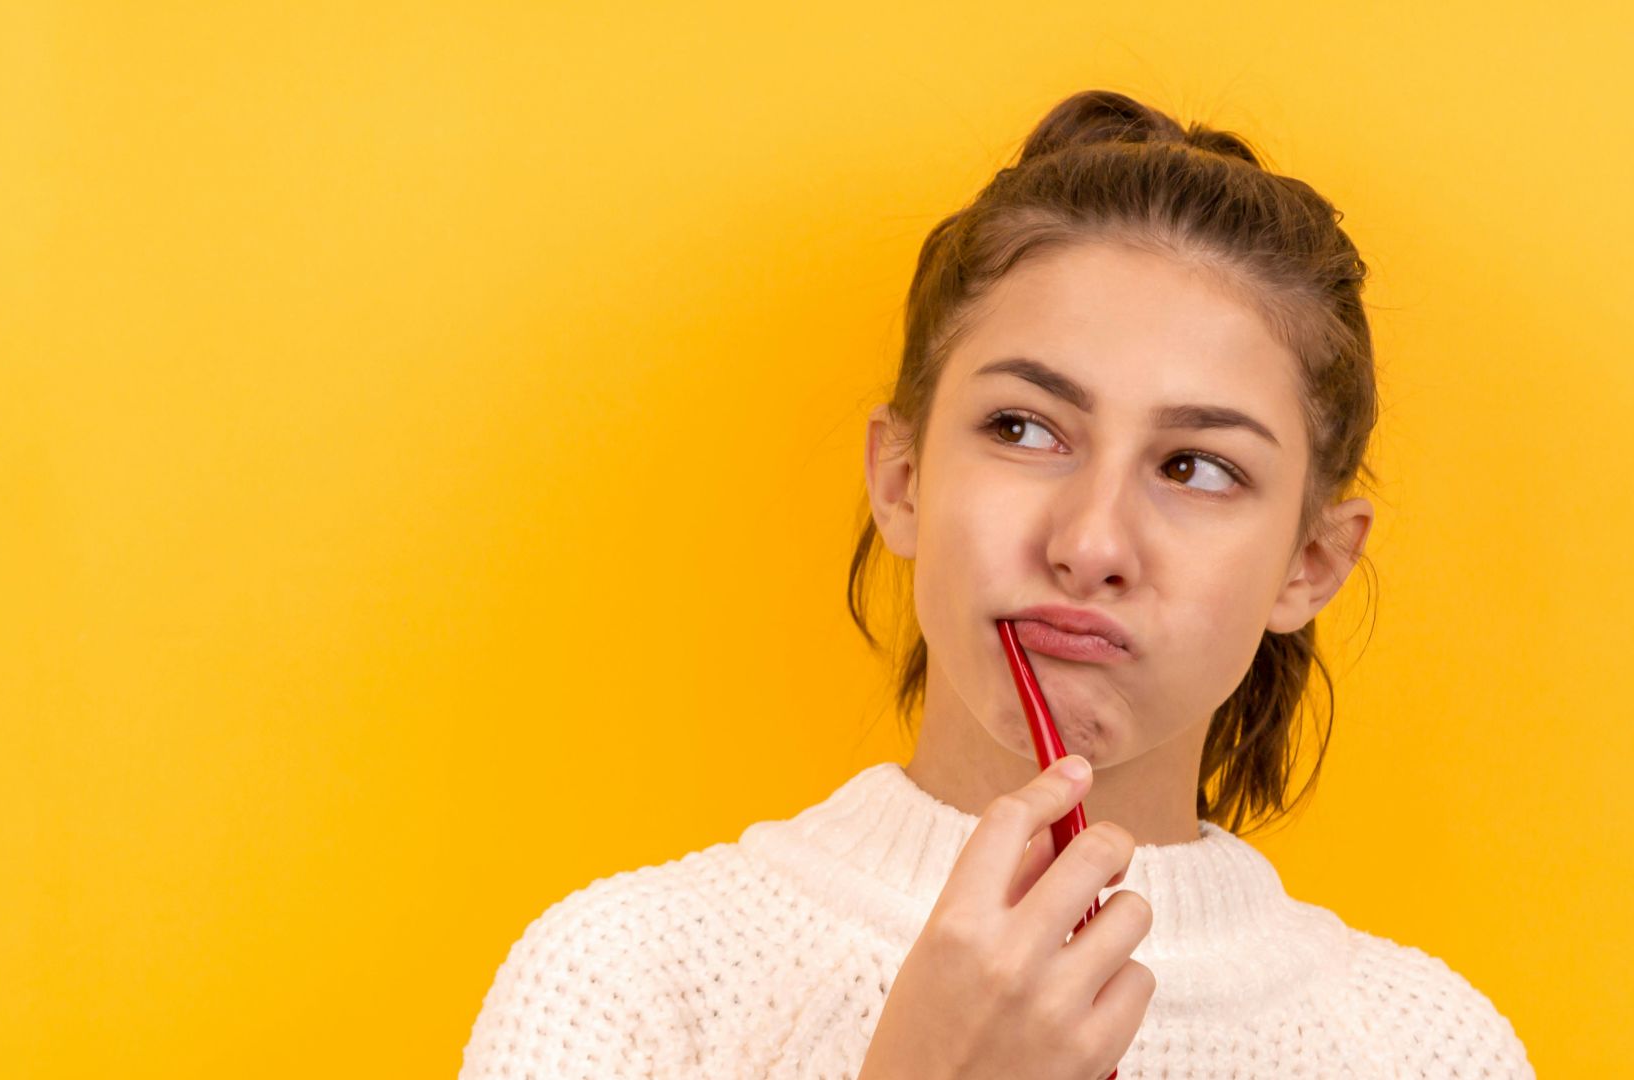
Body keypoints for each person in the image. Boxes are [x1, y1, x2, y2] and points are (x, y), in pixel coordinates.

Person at [457, 89, 1534, 1079]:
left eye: (1196, 467)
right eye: (1024, 429)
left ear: (1312, 564)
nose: (1091, 542)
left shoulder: (1429, 1050)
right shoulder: (625, 989)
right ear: (904, 479)